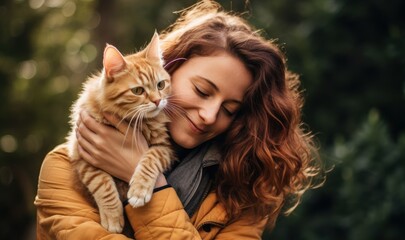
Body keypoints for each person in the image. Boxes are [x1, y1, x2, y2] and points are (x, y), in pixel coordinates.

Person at [34, 0, 324, 239]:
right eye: (201, 90)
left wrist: (151, 181)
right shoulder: (63, 169)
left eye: (229, 110)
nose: (209, 116)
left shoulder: (241, 186)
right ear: (168, 70)